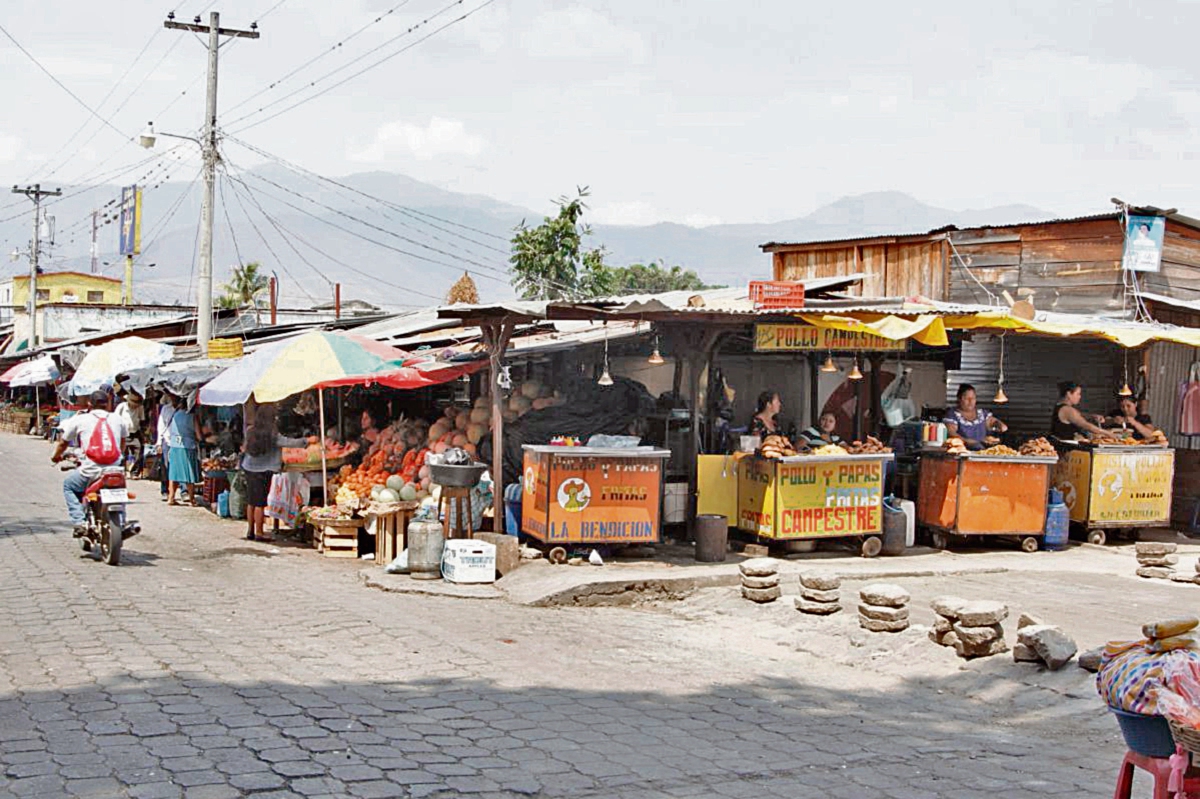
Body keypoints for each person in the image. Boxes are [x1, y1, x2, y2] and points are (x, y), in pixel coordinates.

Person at [50, 390, 129, 536]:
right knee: (119, 492)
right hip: (115, 470)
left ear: (89, 403)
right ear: (108, 403)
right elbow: (122, 443)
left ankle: (79, 522)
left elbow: (63, 443)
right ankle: (122, 522)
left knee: (69, 486)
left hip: (90, 471)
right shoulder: (118, 419)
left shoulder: (81, 419)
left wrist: (55, 457)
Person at [241, 400, 308, 542]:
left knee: (251, 501)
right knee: (259, 502)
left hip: (248, 467)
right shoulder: (271, 434)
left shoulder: (250, 430)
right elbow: (288, 442)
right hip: (263, 470)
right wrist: (306, 441)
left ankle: (250, 530)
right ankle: (259, 533)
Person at [944, 384, 1008, 450]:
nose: (970, 401)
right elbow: (952, 434)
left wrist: (999, 425)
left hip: (982, 453)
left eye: (973, 398)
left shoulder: (982, 414)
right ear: (959, 399)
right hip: (962, 453)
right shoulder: (952, 415)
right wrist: (975, 442)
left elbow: (995, 422)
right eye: (966, 398)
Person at [165, 395, 202, 506]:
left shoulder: (175, 415)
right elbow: (199, 436)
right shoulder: (192, 417)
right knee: (189, 474)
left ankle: (171, 498)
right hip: (188, 447)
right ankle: (192, 499)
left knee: (174, 474)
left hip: (174, 446)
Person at [1051, 381, 1117, 441]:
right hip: (1065, 448)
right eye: (1078, 394)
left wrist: (1092, 416)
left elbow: (1078, 415)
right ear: (1068, 394)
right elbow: (1087, 426)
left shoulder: (1061, 406)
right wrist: (1108, 433)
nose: (1080, 397)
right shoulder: (1067, 410)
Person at [115, 390, 146, 476]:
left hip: (135, 432)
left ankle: (134, 472)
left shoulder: (140, 408)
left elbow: (142, 420)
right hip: (123, 434)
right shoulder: (121, 407)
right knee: (122, 454)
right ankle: (122, 471)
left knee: (138, 451)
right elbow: (116, 419)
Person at [155, 395, 176, 499]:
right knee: (165, 466)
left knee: (177, 467)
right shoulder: (166, 409)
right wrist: (158, 442)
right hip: (166, 440)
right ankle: (165, 490)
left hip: (178, 441)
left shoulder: (183, 410)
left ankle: (183, 490)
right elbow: (161, 426)